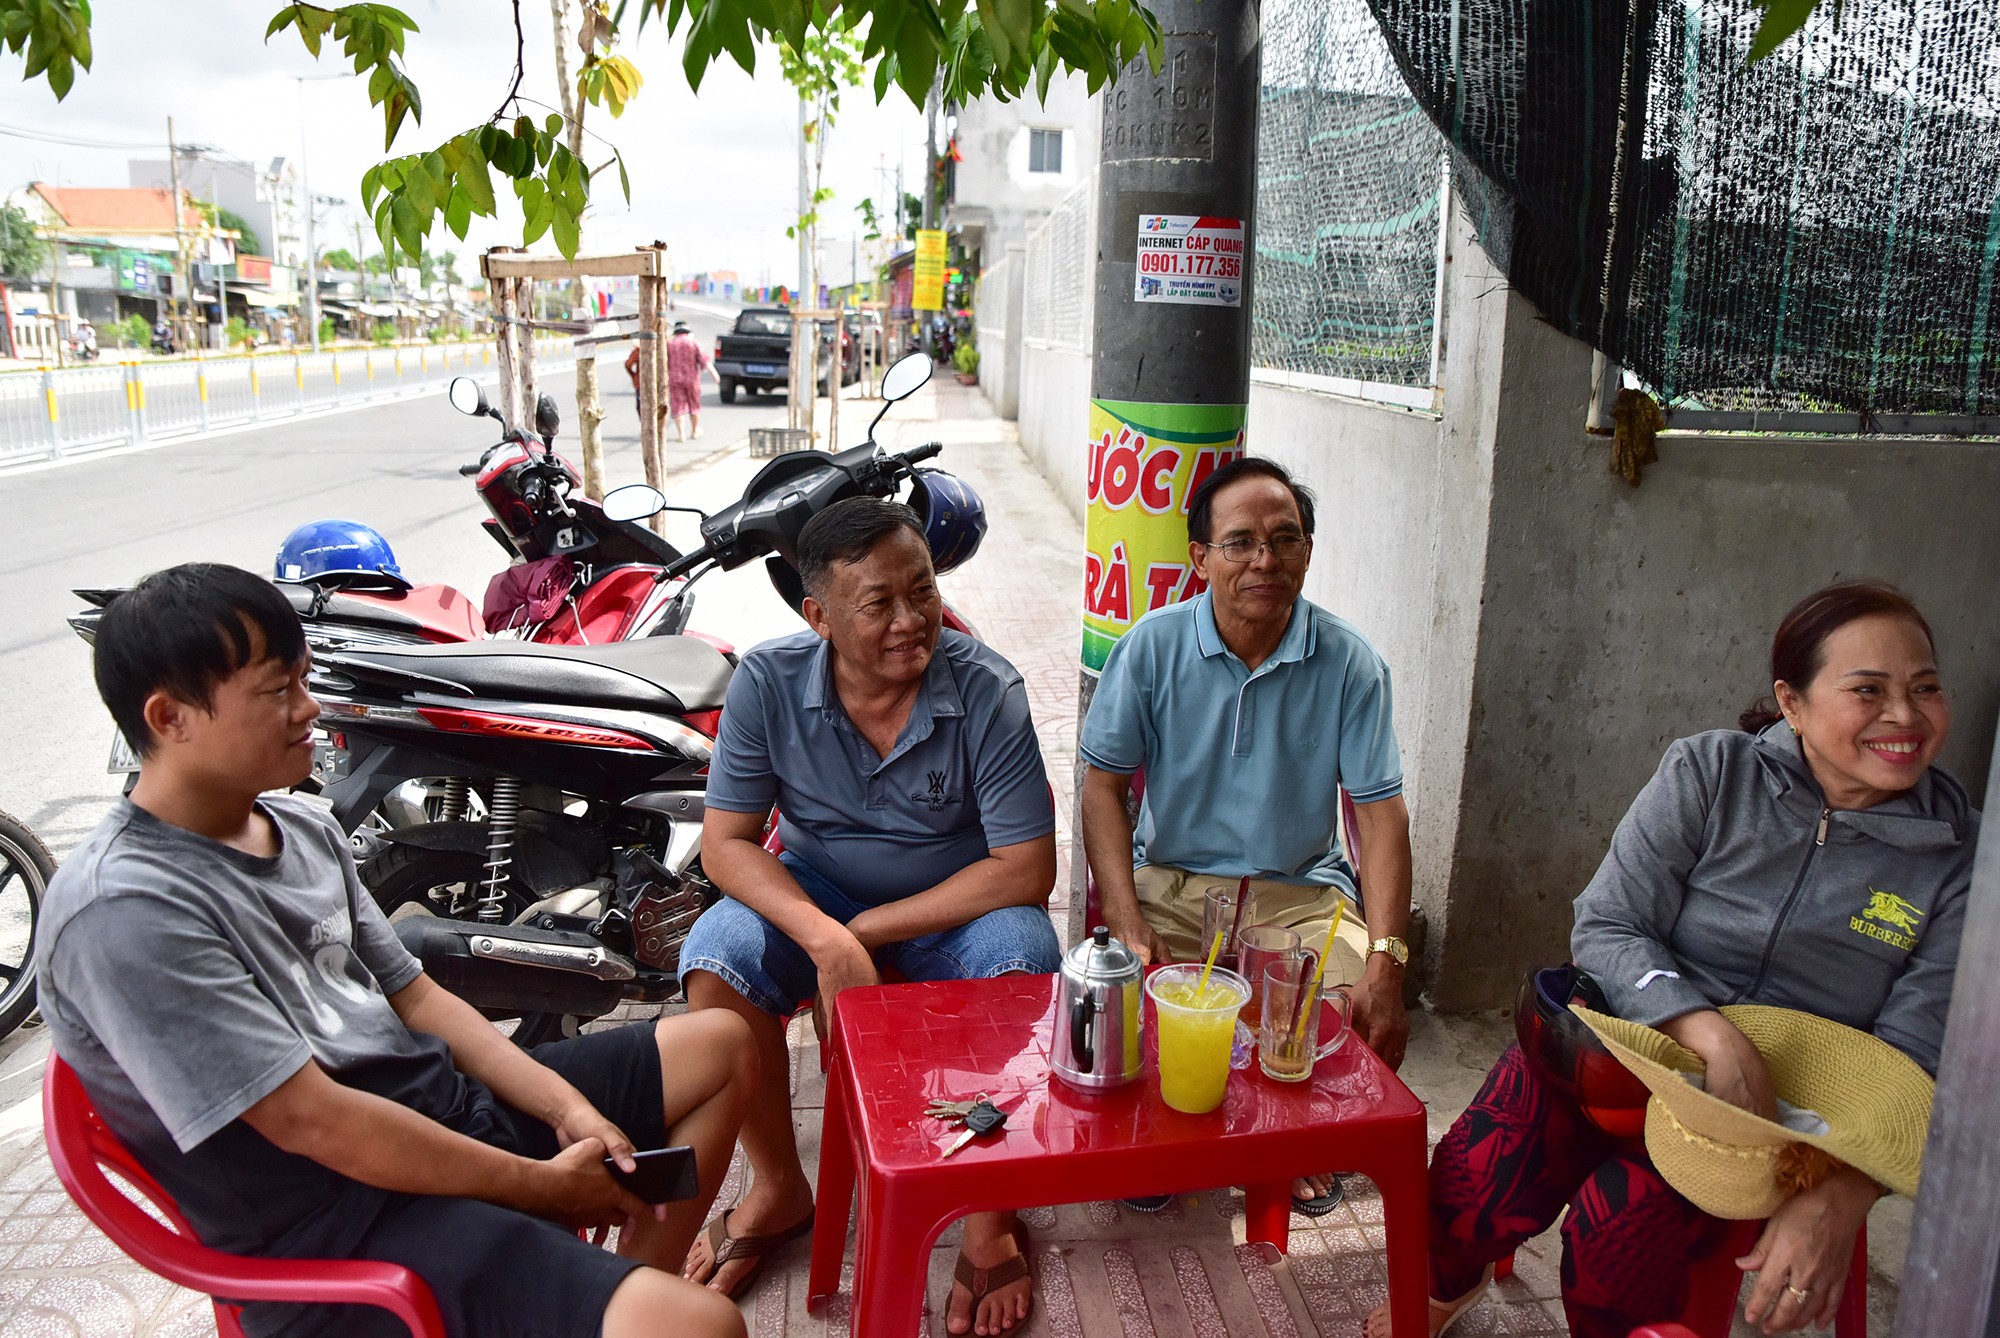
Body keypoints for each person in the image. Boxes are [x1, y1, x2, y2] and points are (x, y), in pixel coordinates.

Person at [37, 563, 755, 1338]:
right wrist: (540, 1189)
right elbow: (316, 1123)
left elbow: (417, 997)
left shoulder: (302, 828)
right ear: (170, 717)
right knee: (705, 1327)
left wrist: (567, 1110)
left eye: (305, 681)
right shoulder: (125, 910)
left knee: (722, 1045)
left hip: (439, 1119)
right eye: (278, 690)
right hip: (337, 1222)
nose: (308, 710)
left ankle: (604, 1299)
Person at [1365, 580, 1975, 1338]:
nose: (1905, 717)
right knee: (1472, 1184)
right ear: (1792, 703)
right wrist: (1711, 1034)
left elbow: (1911, 1057)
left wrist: (1840, 1193)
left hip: (1764, 1125)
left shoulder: (1957, 859)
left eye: (1925, 688)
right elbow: (1611, 922)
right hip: (1630, 1047)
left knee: (1612, 1232)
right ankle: (1448, 1284)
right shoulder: (1710, 774)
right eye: (1868, 690)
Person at [678, 497, 1062, 1335]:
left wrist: (867, 935)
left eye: (920, 591)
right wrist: (822, 932)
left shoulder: (986, 688)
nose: (910, 620)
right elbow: (727, 847)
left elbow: (1029, 870)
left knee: (1023, 954)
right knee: (718, 958)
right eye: (877, 603)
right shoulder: (767, 684)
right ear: (817, 615)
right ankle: (779, 1188)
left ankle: (990, 1218)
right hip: (816, 893)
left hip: (953, 910)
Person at [1078, 456, 1414, 1214]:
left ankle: (1289, 1143)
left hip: (1299, 892)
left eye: (1285, 538)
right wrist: (1127, 919)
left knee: (1336, 1014)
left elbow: (1380, 813)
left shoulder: (1352, 663)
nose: (1265, 559)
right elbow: (1101, 787)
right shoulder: (1152, 647)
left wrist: (1389, 960)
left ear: (1307, 550)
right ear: (1200, 559)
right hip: (1170, 882)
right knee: (1123, 1005)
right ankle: (1160, 1141)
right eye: (1239, 542)